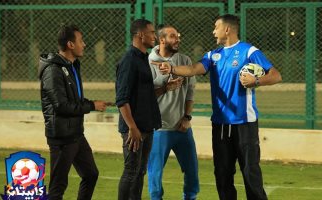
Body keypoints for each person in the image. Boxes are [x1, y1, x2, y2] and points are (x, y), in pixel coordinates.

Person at [156, 14, 282, 200]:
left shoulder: (249, 51)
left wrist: (256, 80)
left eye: (216, 27)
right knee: (222, 175)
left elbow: (276, 75)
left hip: (245, 124)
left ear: (227, 29)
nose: (213, 31)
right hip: (220, 126)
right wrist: (171, 68)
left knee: (250, 173)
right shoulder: (213, 55)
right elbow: (192, 70)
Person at [38, 24, 107, 200]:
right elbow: (61, 106)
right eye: (81, 41)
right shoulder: (53, 70)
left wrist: (92, 103)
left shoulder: (71, 66)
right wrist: (92, 107)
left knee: (91, 174)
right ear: (70, 44)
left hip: (76, 134)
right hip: (62, 136)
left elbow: (73, 101)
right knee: (58, 187)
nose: (84, 44)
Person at [148, 25, 199, 200]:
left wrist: (187, 117)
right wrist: (165, 88)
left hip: (182, 128)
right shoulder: (148, 62)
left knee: (192, 172)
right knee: (155, 176)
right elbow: (144, 97)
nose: (177, 39)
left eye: (178, 36)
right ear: (161, 40)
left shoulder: (185, 61)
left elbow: (190, 92)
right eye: (172, 36)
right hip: (158, 129)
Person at [115, 19, 161, 200]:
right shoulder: (129, 61)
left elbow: (145, 94)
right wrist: (132, 128)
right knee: (131, 171)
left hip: (146, 127)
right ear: (140, 35)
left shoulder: (143, 59)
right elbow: (121, 100)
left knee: (140, 171)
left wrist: (166, 88)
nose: (155, 36)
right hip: (134, 129)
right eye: (151, 32)